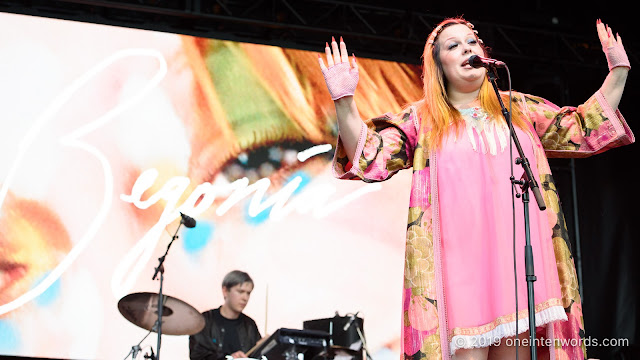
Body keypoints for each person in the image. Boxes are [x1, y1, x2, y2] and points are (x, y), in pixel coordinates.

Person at [318, 17, 633, 360]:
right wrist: (345, 100)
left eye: (473, 42)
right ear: (438, 65)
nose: (468, 48)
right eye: (454, 45)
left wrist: (618, 70)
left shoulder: (517, 108)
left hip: (521, 264)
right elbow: (370, 156)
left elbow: (583, 126)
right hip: (461, 272)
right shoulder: (422, 120)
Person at [189, 270, 262, 360]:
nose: (245, 298)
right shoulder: (205, 320)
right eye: (240, 291)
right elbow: (197, 355)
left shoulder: (250, 324)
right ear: (225, 291)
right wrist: (229, 358)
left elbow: (256, 356)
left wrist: (264, 348)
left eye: (248, 293)